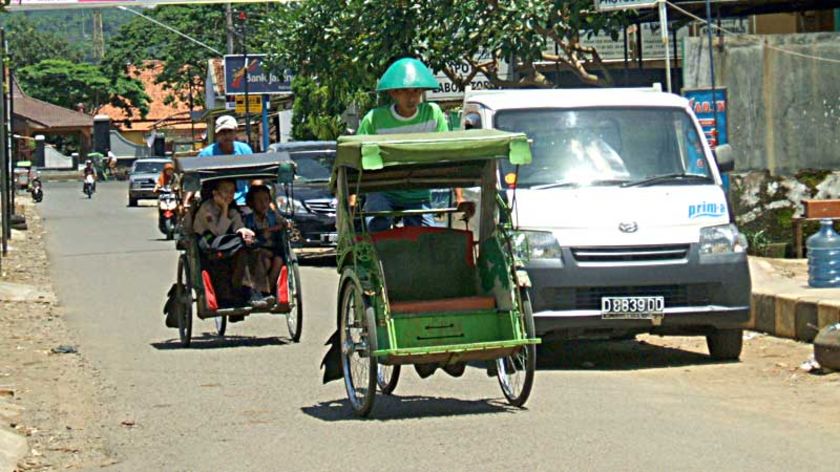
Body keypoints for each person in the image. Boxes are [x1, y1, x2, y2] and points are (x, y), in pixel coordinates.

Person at [357, 57, 467, 379]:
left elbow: (447, 154)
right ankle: (380, 273)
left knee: (431, 243)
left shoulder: (433, 115)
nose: (412, 97)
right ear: (393, 94)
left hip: (419, 193)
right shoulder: (374, 119)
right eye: (405, 92)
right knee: (377, 223)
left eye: (416, 91)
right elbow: (356, 157)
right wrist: (353, 196)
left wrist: (458, 196)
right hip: (384, 191)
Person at [192, 179, 270, 309]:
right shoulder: (206, 208)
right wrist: (224, 208)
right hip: (208, 244)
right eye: (225, 192)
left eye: (232, 192)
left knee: (251, 247)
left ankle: (255, 291)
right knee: (240, 247)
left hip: (228, 244)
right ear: (215, 193)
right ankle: (247, 291)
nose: (229, 195)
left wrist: (244, 231)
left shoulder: (233, 210)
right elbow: (219, 232)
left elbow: (238, 225)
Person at [244, 185, 288, 304]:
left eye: (266, 200)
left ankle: (268, 292)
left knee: (278, 261)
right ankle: (259, 292)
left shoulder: (273, 216)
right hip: (256, 250)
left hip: (274, 249)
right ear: (252, 203)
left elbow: (284, 224)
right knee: (264, 259)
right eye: (259, 200)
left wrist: (275, 228)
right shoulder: (248, 219)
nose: (263, 204)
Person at [198, 115, 253, 205]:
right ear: (217, 134)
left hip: (242, 201)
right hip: (214, 202)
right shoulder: (206, 154)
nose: (226, 135)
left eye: (229, 131)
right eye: (222, 132)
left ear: (236, 131)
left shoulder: (245, 150)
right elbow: (195, 177)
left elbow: (254, 176)